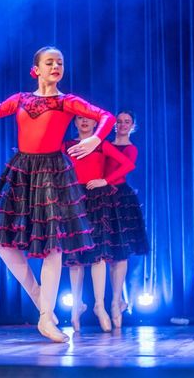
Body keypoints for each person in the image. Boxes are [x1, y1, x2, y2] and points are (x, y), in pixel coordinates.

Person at [0, 46, 115, 342]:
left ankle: (45, 317)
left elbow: (105, 116)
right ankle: (40, 298)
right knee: (0, 241)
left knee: (53, 246)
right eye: (49, 62)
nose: (56, 66)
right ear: (36, 69)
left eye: (60, 62)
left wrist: (95, 138)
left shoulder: (67, 101)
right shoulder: (20, 99)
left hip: (52, 172)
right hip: (21, 171)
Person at [62, 116, 135, 332]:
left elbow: (128, 164)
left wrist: (106, 180)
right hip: (73, 198)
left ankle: (100, 305)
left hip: (97, 199)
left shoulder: (101, 144)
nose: (84, 121)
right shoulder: (67, 145)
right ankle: (76, 307)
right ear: (75, 123)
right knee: (74, 256)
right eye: (80, 118)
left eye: (88, 119)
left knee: (99, 255)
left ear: (96, 124)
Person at [104, 110, 149, 328]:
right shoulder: (103, 144)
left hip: (120, 197)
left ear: (132, 126)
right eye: (119, 121)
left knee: (121, 251)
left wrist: (105, 182)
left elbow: (123, 170)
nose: (122, 125)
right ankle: (116, 300)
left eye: (127, 122)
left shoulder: (131, 148)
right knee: (107, 252)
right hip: (102, 197)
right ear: (114, 124)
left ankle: (115, 301)